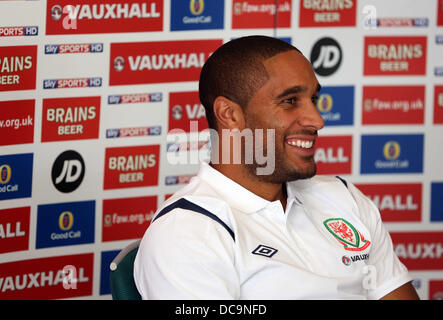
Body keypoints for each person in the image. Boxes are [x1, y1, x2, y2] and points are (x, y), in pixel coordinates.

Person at [134, 35, 419, 300]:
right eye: (290, 101)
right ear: (229, 115)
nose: (317, 120)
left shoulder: (343, 196)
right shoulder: (187, 233)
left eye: (314, 100)